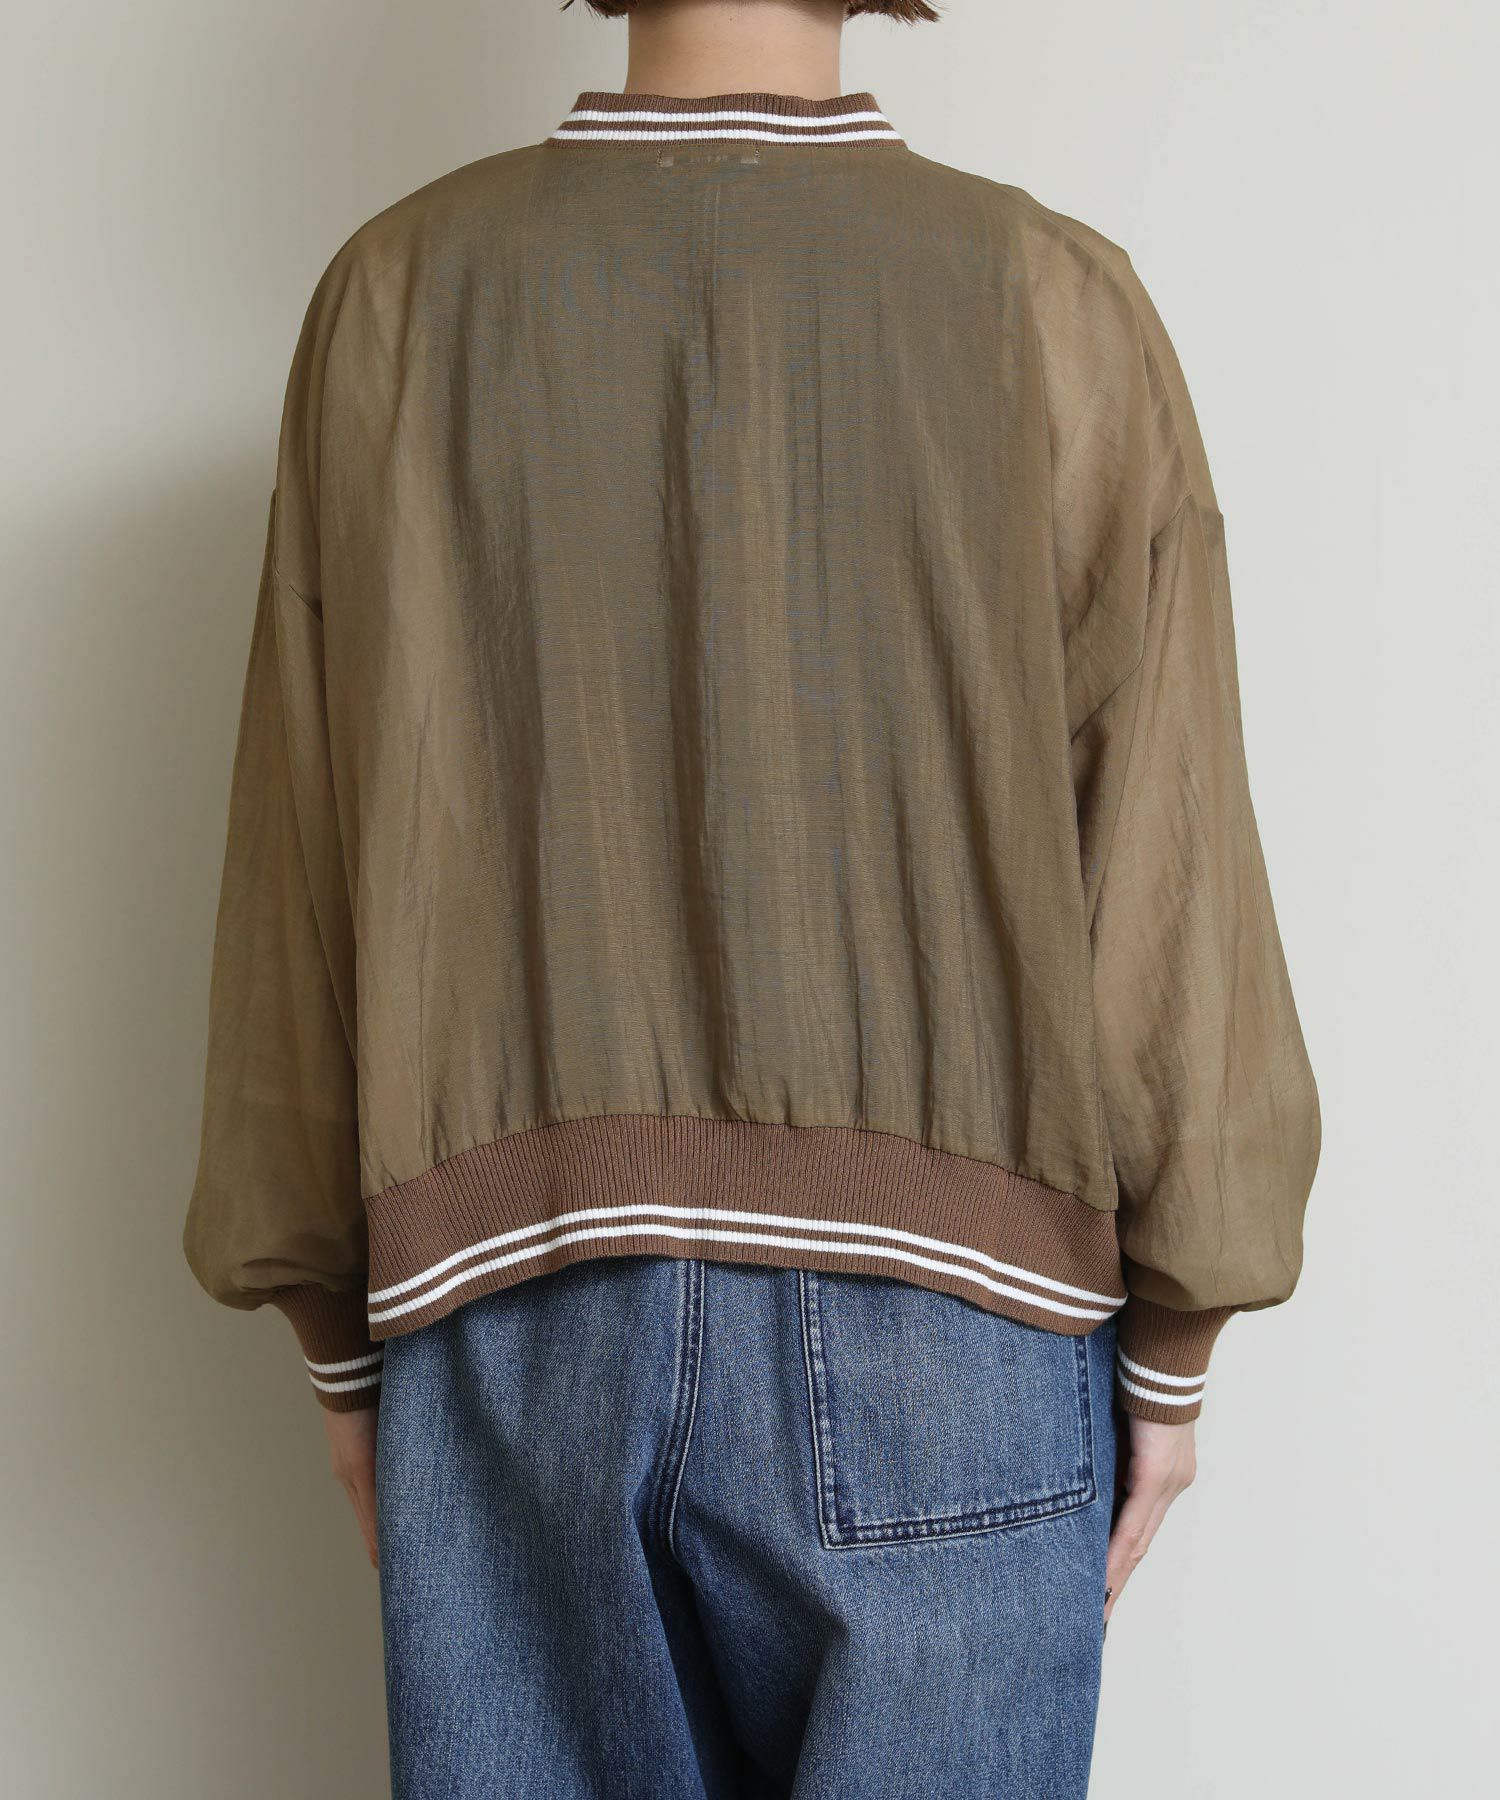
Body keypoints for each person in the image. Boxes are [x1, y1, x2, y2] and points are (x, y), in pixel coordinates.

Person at [184, 1, 1320, 1793]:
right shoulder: (1053, 302)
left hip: (512, 1313)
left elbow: (303, 861)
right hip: (951, 1327)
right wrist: (1181, 1337)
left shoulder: (396, 297)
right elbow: (1170, 865)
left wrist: (334, 1335)